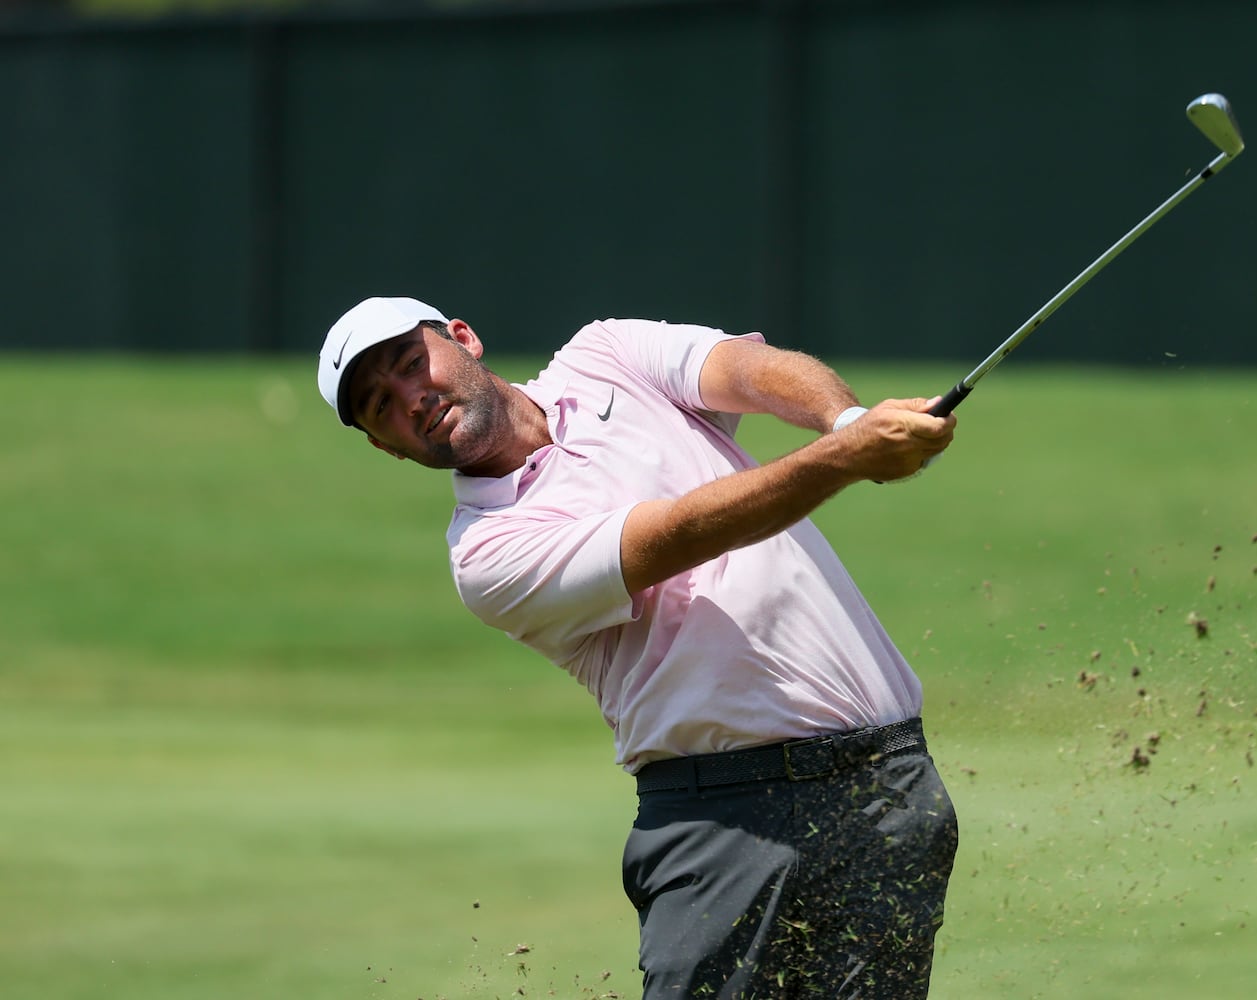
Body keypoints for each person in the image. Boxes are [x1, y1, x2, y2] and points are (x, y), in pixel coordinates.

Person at [316, 296, 961, 998]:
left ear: (463, 339)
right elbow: (677, 535)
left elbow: (747, 370)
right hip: (726, 822)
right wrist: (842, 457)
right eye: (381, 406)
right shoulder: (487, 552)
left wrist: (844, 419)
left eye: (412, 363)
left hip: (889, 788)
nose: (411, 399)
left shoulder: (606, 353)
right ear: (384, 445)